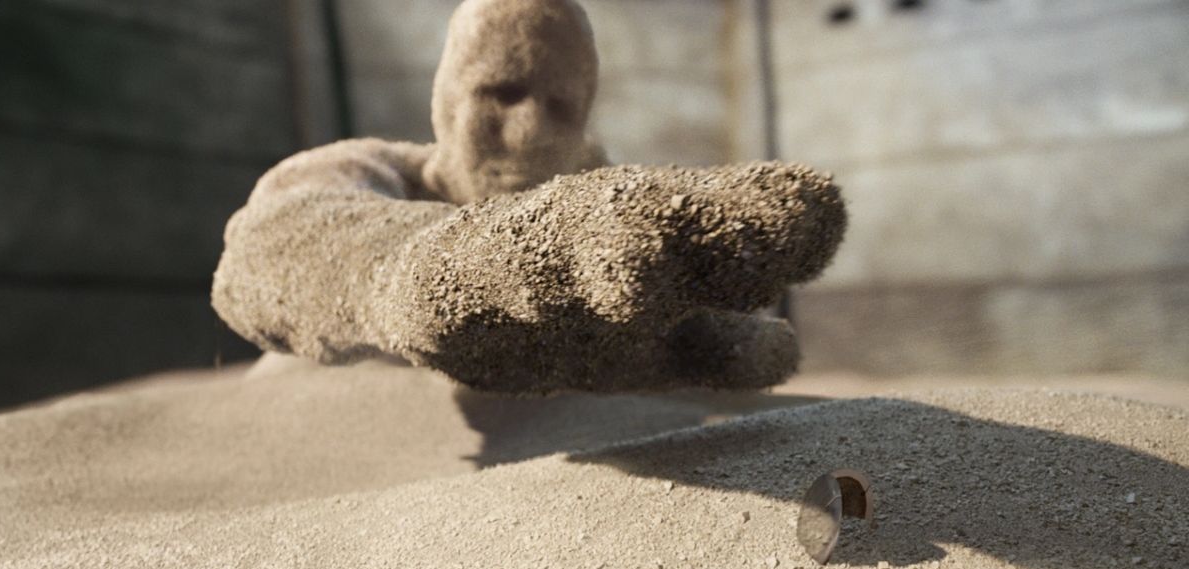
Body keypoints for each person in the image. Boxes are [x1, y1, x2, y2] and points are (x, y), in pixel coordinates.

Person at [212, 0, 846, 394]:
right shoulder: (359, 170)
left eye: (561, 105)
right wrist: (420, 278)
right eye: (502, 92)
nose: (532, 130)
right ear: (445, 101)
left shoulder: (607, 213)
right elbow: (273, 248)